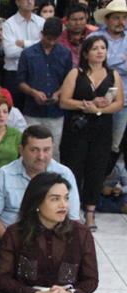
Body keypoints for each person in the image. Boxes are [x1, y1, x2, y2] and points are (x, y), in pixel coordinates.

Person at [0, 125, 81, 272]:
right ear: (21, 150)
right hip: (12, 243)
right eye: (34, 150)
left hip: (54, 244)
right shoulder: (3, 175)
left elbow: (72, 219)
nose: (41, 156)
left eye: (46, 150)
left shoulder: (65, 174)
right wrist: (13, 241)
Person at [59, 34, 124, 230]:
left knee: (96, 170)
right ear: (86, 53)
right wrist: (84, 105)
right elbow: (64, 101)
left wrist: (100, 109)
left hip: (102, 129)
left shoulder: (113, 74)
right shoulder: (75, 73)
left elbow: (119, 103)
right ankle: (71, 212)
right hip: (77, 129)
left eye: (103, 48)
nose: (99, 52)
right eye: (95, 48)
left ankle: (90, 213)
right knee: (74, 168)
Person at [17, 17, 71, 160]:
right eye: (48, 38)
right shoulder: (28, 54)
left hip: (55, 111)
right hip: (32, 110)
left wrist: (58, 93)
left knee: (53, 150)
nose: (51, 42)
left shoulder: (65, 54)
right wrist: (33, 92)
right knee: (30, 148)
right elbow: (20, 82)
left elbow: (69, 80)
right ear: (42, 34)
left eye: (55, 39)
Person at [91, 0, 127, 180]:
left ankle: (106, 181)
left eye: (124, 18)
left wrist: (111, 63)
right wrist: (122, 61)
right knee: (97, 142)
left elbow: (107, 64)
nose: (121, 22)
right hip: (98, 98)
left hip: (124, 101)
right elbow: (98, 65)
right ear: (107, 19)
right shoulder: (96, 37)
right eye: (117, 18)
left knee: (115, 145)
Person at [3, 0, 46, 111]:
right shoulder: (9, 24)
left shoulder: (42, 22)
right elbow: (9, 51)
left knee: (35, 112)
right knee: (16, 111)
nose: (29, 1)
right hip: (14, 74)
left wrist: (25, 43)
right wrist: (36, 44)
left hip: (36, 73)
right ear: (17, 2)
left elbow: (45, 47)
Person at [58, 3, 95, 67]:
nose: (78, 23)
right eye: (74, 20)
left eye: (81, 19)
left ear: (86, 19)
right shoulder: (60, 39)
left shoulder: (94, 36)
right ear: (67, 21)